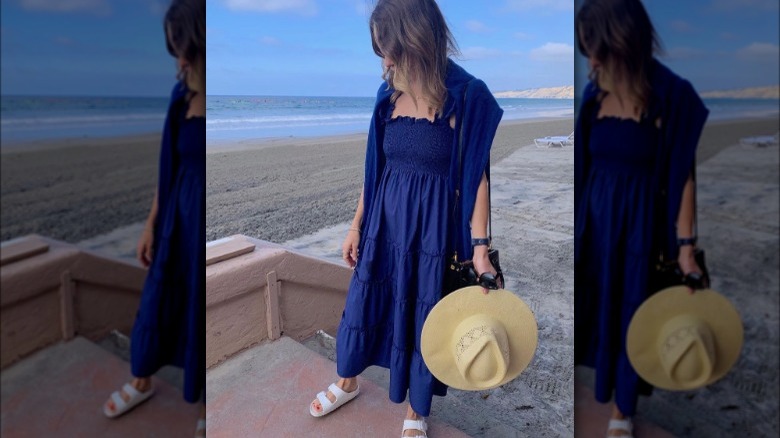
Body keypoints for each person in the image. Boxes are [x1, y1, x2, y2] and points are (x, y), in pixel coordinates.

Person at [308, 0, 503, 436]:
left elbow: (478, 180)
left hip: (435, 235)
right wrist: (356, 225)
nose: (387, 63)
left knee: (423, 317)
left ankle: (416, 412)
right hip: (384, 227)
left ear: (418, 39)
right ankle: (348, 381)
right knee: (363, 305)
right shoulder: (387, 96)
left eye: (392, 50)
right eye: (381, 52)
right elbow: (374, 170)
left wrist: (480, 251)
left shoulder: (469, 95)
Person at [573, 0, 709, 436]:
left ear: (622, 44)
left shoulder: (672, 96)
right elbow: (583, 167)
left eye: (596, 49)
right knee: (597, 310)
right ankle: (601, 390)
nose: (591, 60)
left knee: (635, 311)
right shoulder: (594, 94)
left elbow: (683, 174)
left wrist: (686, 247)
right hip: (595, 228)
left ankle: (622, 410)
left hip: (641, 230)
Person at [102, 0, 206, 435]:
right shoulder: (180, 94)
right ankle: (142, 377)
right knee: (159, 297)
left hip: (203, 220)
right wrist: (150, 224)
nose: (179, 59)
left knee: (201, 308)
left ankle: (205, 404)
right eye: (174, 49)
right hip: (177, 220)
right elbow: (169, 166)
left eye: (185, 48)